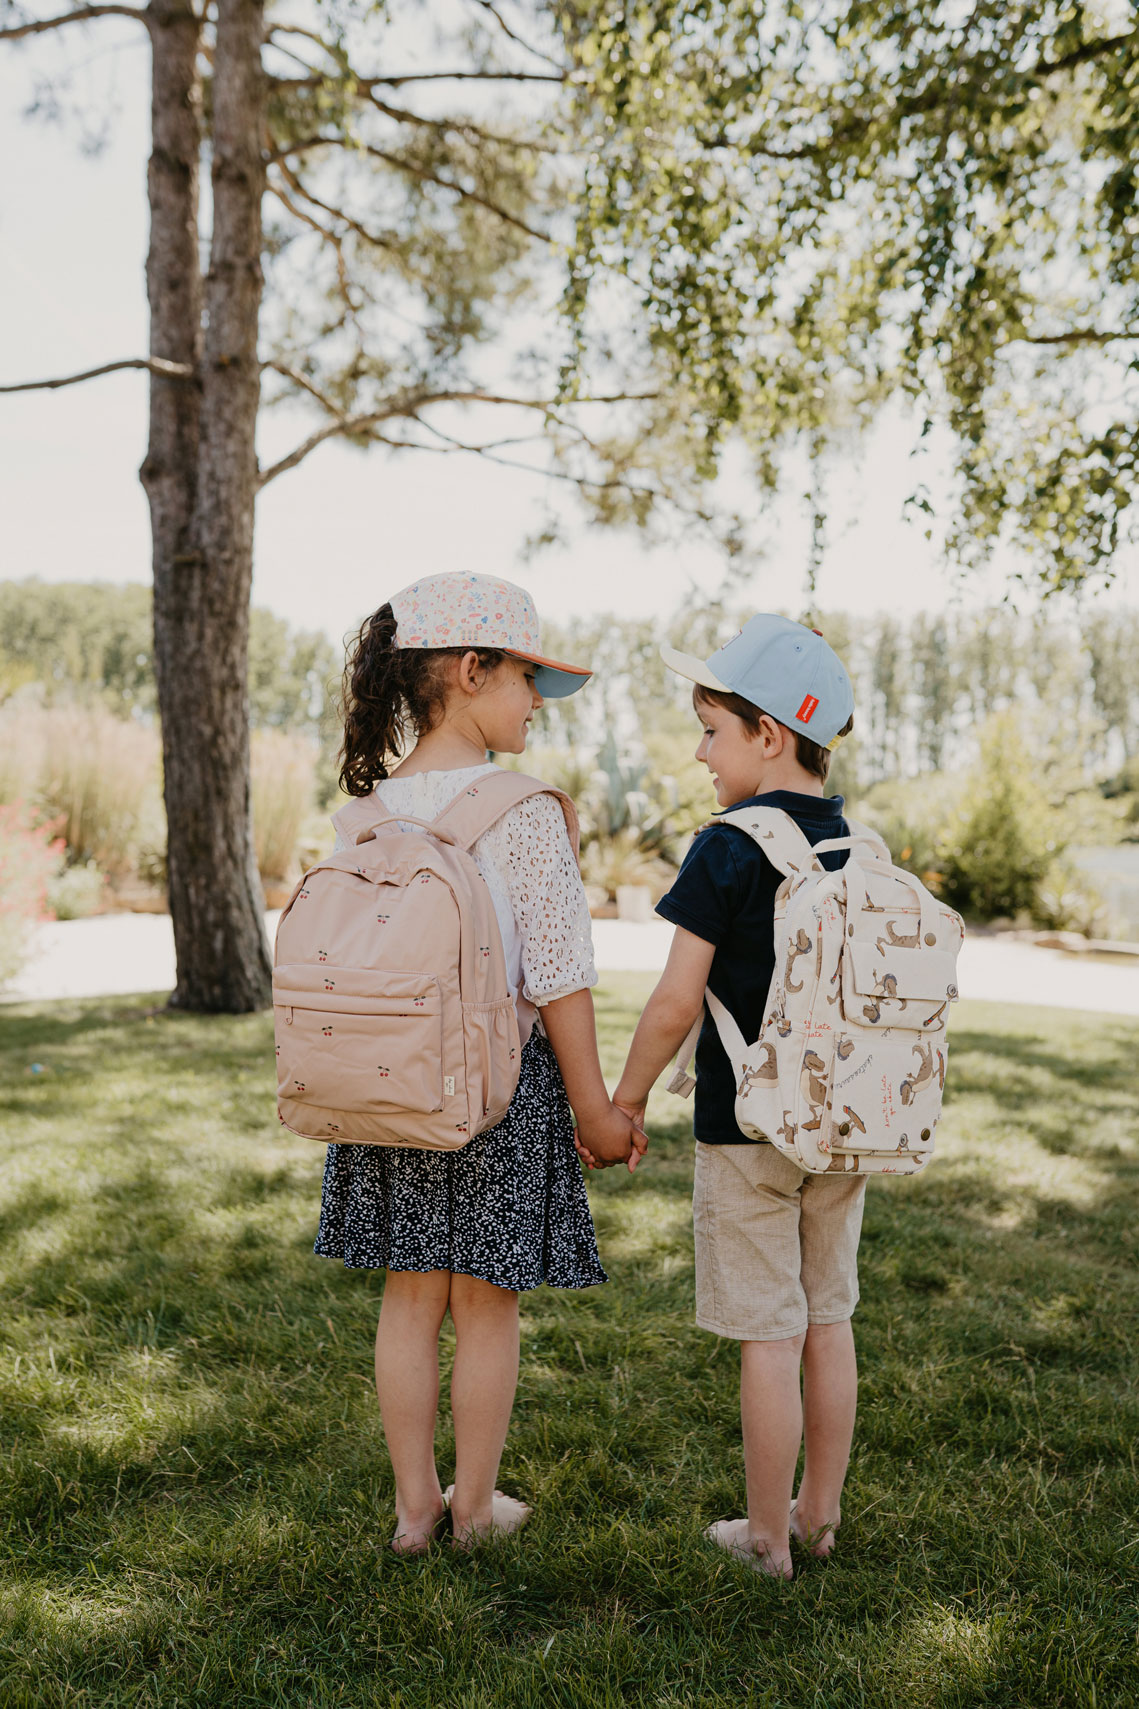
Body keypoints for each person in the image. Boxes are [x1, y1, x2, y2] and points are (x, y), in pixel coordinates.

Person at [314, 572, 642, 1554]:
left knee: (409, 1293)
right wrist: (595, 1110)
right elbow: (559, 977)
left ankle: (414, 1506)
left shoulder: (367, 809)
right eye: (527, 677)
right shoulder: (525, 809)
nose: (536, 699)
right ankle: (473, 1507)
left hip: (388, 1083)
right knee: (484, 1304)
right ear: (467, 670)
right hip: (500, 1089)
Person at [606, 614, 860, 1579]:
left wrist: (626, 1099)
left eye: (712, 728)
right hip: (839, 1127)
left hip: (747, 1125)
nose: (700, 749)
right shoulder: (852, 844)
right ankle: (819, 1515)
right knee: (827, 1315)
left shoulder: (725, 848)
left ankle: (765, 1537)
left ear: (768, 733)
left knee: (768, 1329)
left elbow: (676, 999)